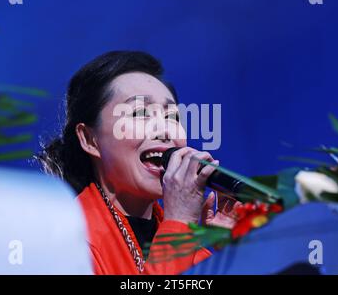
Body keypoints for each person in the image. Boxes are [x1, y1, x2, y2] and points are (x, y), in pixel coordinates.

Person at [38, 51, 241, 274]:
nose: (163, 130)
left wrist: (237, 251)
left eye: (172, 116)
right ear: (89, 140)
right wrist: (179, 222)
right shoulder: (66, 240)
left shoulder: (194, 254)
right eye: (140, 113)